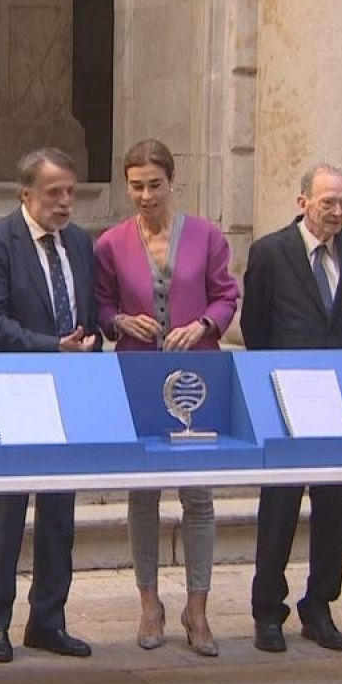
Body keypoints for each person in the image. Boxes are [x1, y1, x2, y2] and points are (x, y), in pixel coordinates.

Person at [94, 139, 240, 656]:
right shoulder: (110, 242)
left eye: (154, 185)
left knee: (198, 493)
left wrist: (204, 323)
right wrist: (116, 320)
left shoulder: (205, 235)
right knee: (144, 493)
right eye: (136, 186)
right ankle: (149, 603)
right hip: (137, 373)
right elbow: (102, 304)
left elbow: (227, 295)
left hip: (196, 376)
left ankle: (197, 608)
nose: (145, 195)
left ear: (171, 182)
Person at [0, 146, 102, 663]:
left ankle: (49, 618)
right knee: (6, 512)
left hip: (70, 392)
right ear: (27, 194)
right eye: (54, 193)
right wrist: (53, 347)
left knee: (59, 512)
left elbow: (87, 310)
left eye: (70, 192)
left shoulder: (81, 244)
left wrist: (90, 343)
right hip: (18, 389)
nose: (65, 202)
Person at [241, 163, 342, 653]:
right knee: (279, 506)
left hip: (340, 398)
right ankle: (267, 610)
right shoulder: (271, 252)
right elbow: (255, 326)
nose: (337, 212)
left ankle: (319, 606)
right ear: (303, 202)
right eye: (328, 203)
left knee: (335, 506)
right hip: (286, 395)